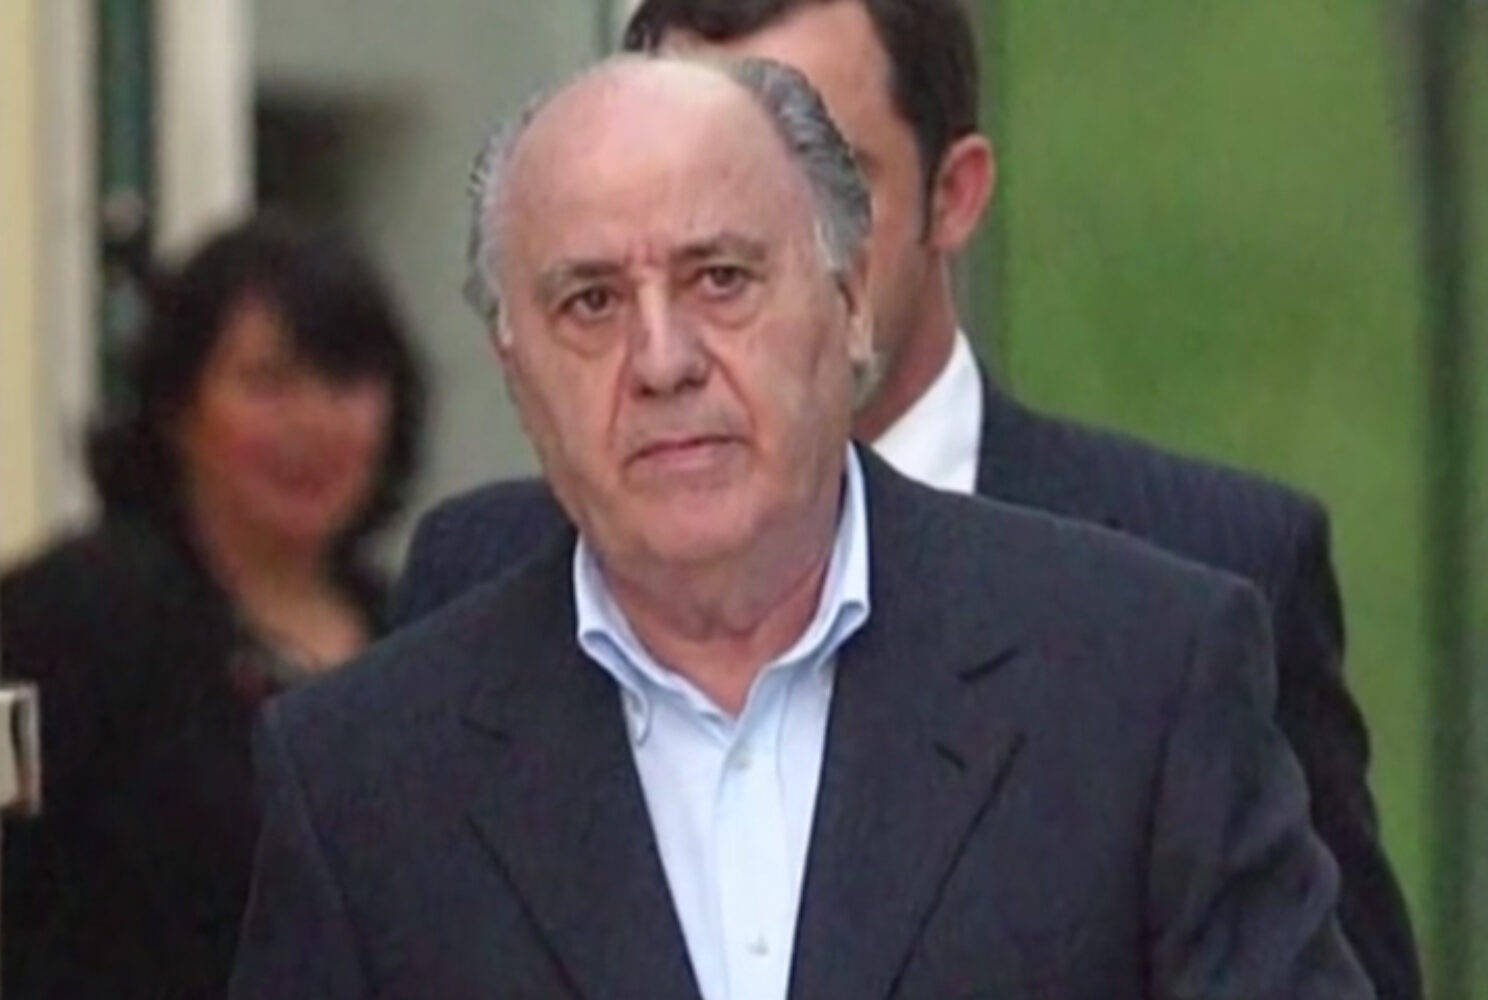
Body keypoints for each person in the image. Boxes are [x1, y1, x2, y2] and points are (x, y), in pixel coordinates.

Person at [231, 55, 1372, 999]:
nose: (663, 360)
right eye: (591, 302)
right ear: (516, 369)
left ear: (847, 302)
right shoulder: (363, 779)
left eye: (721, 278)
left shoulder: (1137, 674)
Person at [0, 214, 426, 1000]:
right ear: (176, 405)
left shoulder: (422, 634)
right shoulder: (80, 617)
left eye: (344, 383)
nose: (312, 424)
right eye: (268, 382)